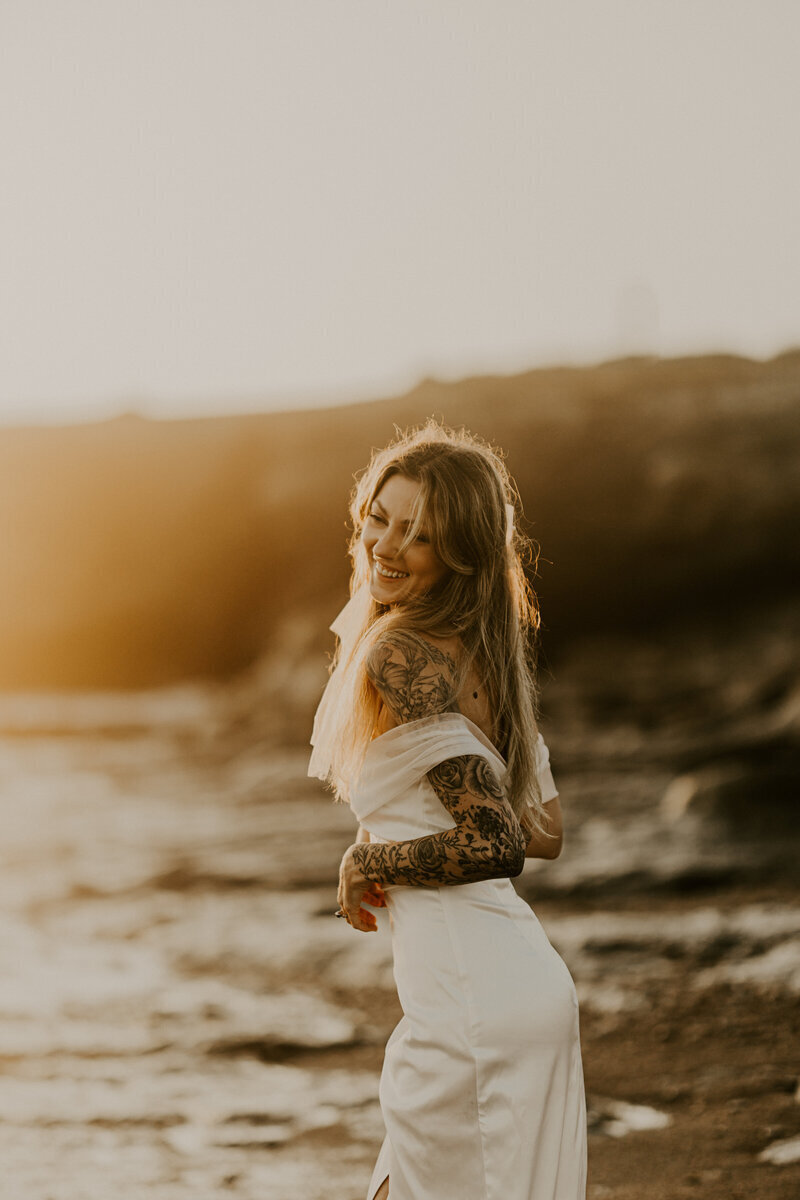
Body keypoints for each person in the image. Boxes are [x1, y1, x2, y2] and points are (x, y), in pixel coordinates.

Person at [308, 420, 587, 1200]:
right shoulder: (484, 654)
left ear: (458, 552)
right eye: (380, 518)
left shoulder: (402, 651)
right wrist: (392, 832)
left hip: (473, 1009)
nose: (386, 546)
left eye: (419, 535)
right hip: (513, 989)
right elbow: (547, 830)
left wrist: (370, 859)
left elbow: (496, 839)